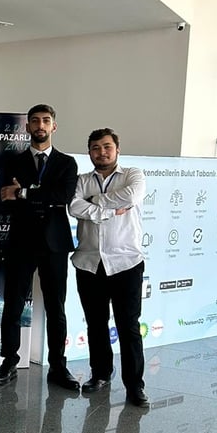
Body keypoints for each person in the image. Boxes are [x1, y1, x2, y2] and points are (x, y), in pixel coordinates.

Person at [0, 104, 79, 390]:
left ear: (54, 126)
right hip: (21, 241)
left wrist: (24, 192)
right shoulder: (13, 162)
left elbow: (63, 196)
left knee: (56, 307)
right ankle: (9, 361)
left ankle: (58, 366)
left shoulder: (67, 163)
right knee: (13, 304)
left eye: (46, 120)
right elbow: (6, 198)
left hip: (55, 244)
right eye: (35, 121)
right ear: (27, 127)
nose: (40, 125)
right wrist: (36, 195)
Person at [69, 128, 149, 408]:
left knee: (129, 326)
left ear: (117, 149)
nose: (101, 152)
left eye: (107, 147)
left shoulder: (133, 175)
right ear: (89, 152)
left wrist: (95, 201)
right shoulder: (81, 180)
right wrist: (109, 210)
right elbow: (73, 207)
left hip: (126, 262)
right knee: (96, 324)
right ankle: (101, 374)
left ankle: (135, 386)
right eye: (95, 148)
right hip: (89, 263)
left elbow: (131, 196)